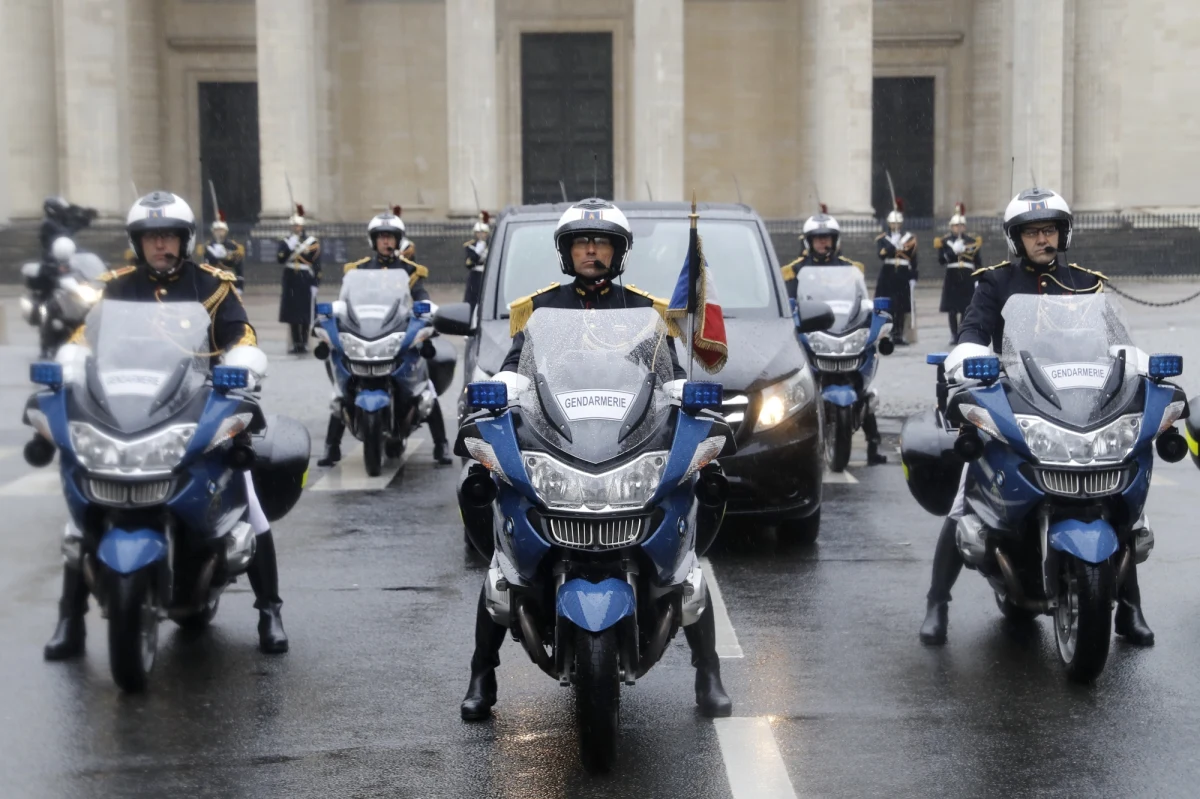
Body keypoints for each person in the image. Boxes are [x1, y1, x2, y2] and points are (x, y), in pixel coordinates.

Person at [459, 198, 732, 721]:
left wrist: (688, 398)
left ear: (618, 252)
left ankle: (709, 672)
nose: (591, 251)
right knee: (501, 545)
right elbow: (517, 370)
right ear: (566, 252)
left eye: (601, 243)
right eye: (582, 243)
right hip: (558, 437)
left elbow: (667, 375)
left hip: (629, 437)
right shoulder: (539, 310)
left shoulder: (648, 312)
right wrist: (494, 392)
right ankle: (481, 672)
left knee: (690, 539)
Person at [43, 191, 288, 660]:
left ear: (185, 239)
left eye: (169, 237)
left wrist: (241, 363)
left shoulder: (211, 285)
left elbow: (241, 333)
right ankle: (69, 620)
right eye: (152, 238)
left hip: (195, 403)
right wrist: (70, 367)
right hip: (123, 407)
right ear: (138, 242)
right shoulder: (115, 287)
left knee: (248, 498)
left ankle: (269, 610)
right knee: (83, 509)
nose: (161, 246)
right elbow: (82, 338)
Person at [918, 187, 1153, 648]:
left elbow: (1115, 337)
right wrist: (964, 358)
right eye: (1032, 232)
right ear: (1016, 239)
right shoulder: (996, 283)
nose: (1042, 239)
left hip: (1084, 404)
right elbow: (973, 331)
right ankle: (936, 601)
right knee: (966, 496)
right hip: (1019, 401)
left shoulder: (1087, 282)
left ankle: (1129, 607)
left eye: (1049, 230)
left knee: (1126, 500)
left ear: (1064, 233)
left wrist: (1137, 364)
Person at [316, 211, 454, 467]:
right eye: (381, 237)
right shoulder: (357, 270)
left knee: (425, 385)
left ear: (398, 240)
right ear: (374, 241)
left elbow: (421, 298)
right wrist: (331, 318)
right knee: (344, 385)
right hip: (366, 331)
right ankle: (331, 446)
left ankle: (441, 444)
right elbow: (346, 301)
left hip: (398, 331)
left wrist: (428, 314)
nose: (386, 242)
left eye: (390, 237)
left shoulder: (410, 271)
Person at [781, 210, 886, 465]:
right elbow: (787, 305)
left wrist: (874, 316)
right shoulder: (793, 271)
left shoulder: (851, 268)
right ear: (808, 241)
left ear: (835, 239)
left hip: (843, 332)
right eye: (818, 239)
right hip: (812, 332)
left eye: (827, 238)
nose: (823, 243)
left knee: (861, 384)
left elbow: (862, 300)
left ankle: (874, 443)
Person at [277, 204, 322, 354]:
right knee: (292, 314)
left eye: (298, 226)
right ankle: (295, 343)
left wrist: (316, 282)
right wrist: (289, 246)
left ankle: (304, 342)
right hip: (291, 279)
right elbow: (280, 259)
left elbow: (316, 264)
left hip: (304, 279)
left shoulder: (311, 242)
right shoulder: (286, 241)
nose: (296, 228)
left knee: (304, 314)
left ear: (302, 226)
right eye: (294, 226)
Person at [935, 203, 982, 344]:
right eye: (956, 226)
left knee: (965, 308)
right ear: (951, 227)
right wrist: (952, 251)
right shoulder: (944, 241)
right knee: (952, 309)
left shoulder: (972, 241)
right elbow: (941, 260)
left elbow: (977, 261)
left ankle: (961, 332)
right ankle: (953, 334)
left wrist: (979, 277)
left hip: (967, 275)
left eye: (961, 226)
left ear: (964, 227)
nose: (958, 228)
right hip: (952, 275)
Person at [875, 203, 918, 345]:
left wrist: (913, 277)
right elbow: (881, 255)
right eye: (892, 223)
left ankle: (899, 334)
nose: (895, 225)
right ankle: (888, 333)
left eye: (897, 223)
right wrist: (891, 245)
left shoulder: (908, 238)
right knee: (888, 306)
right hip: (888, 274)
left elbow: (913, 259)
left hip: (903, 274)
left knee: (901, 307)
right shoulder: (883, 238)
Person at [198, 213, 246, 290]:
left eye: (221, 230)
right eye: (216, 230)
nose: (219, 233)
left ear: (225, 231)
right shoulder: (206, 247)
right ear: (213, 232)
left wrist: (239, 285)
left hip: (229, 280)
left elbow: (238, 267)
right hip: (212, 280)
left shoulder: (233, 246)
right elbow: (203, 265)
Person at [462, 211, 490, 307]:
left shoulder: (491, 245)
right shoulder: (470, 246)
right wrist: (478, 252)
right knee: (473, 301)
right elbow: (469, 263)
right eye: (478, 233)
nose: (481, 235)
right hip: (476, 276)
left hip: (488, 275)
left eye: (483, 232)